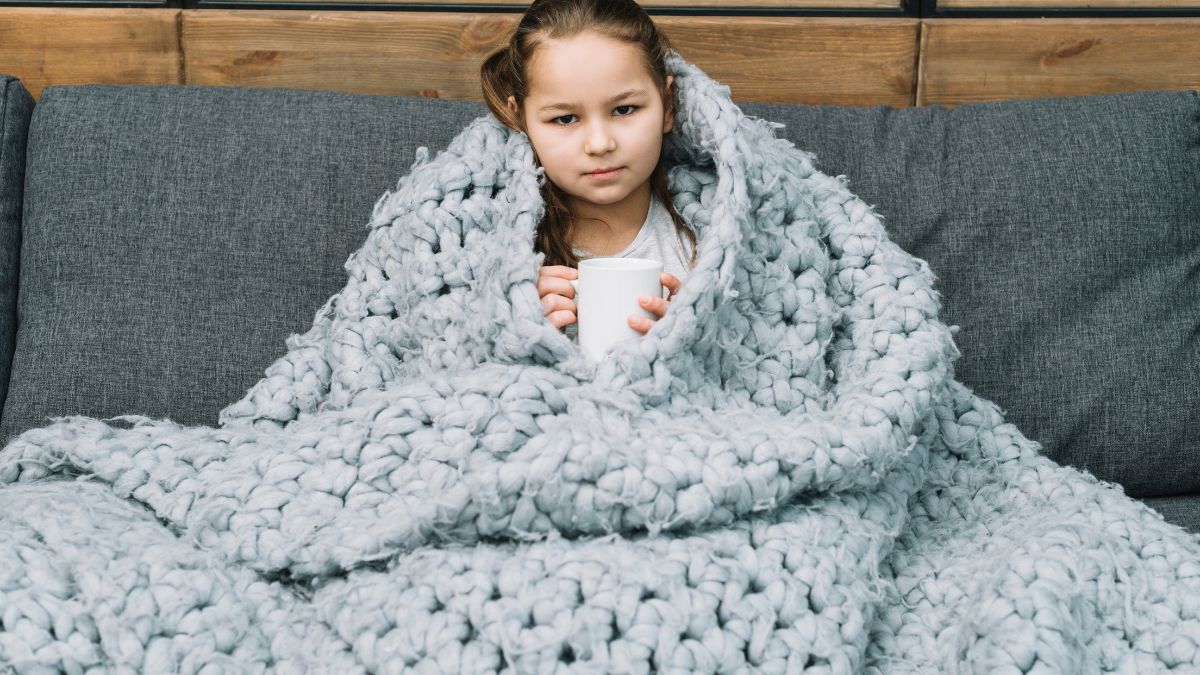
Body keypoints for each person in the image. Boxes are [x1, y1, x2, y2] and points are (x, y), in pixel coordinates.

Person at [480, 0, 697, 340]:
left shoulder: (708, 238)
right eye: (564, 119)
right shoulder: (491, 246)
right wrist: (512, 327)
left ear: (667, 105)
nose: (599, 144)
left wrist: (700, 340)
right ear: (521, 120)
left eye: (624, 109)